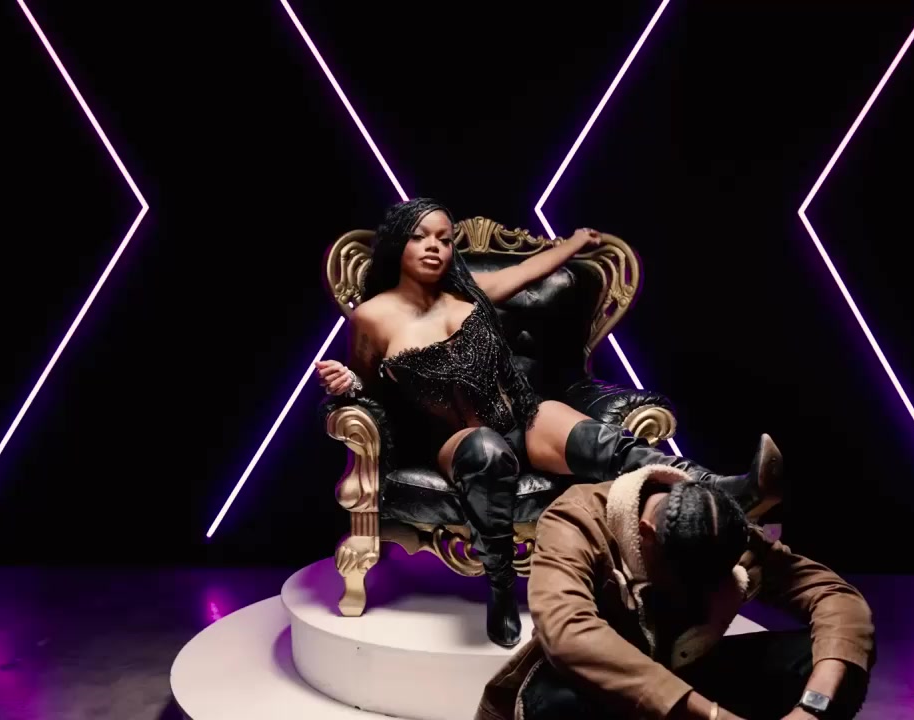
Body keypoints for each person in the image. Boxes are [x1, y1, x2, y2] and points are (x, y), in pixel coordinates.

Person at [315, 198, 783, 648]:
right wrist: (347, 382)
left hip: (518, 417)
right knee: (486, 449)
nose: (435, 246)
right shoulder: (372, 316)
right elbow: (370, 386)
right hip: (455, 439)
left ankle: (722, 489)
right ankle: (500, 588)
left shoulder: (469, 293)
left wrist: (574, 242)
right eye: (421, 237)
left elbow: (526, 271)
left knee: (593, 437)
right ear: (399, 242)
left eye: (444, 238)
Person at [475, 465, 874, 720]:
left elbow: (834, 597)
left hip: (688, 670)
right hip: (607, 688)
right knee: (558, 705)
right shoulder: (577, 519)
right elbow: (567, 632)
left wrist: (812, 706)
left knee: (827, 660)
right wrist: (712, 716)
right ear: (646, 535)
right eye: (686, 579)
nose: (698, 593)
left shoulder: (720, 530)